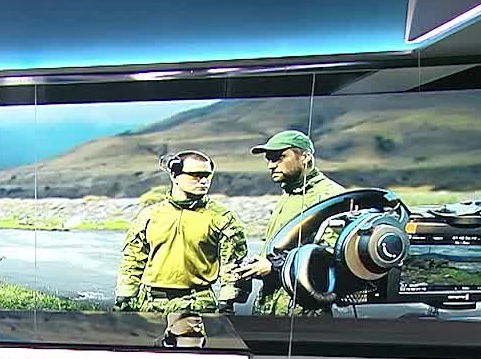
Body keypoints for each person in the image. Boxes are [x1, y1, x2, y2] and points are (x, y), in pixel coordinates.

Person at [114, 150, 248, 314]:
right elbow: (133, 259)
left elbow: (233, 265)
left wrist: (226, 301)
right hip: (149, 304)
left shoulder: (222, 218)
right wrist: (125, 296)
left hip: (196, 304)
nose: (204, 181)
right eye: (195, 175)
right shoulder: (149, 216)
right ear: (174, 176)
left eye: (207, 175)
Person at [236, 130, 346, 316]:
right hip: (270, 303)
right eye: (269, 160)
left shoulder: (331, 197)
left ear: (305, 157)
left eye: (279, 158)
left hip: (304, 308)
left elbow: (332, 255)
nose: (271, 165)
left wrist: (274, 267)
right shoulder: (289, 195)